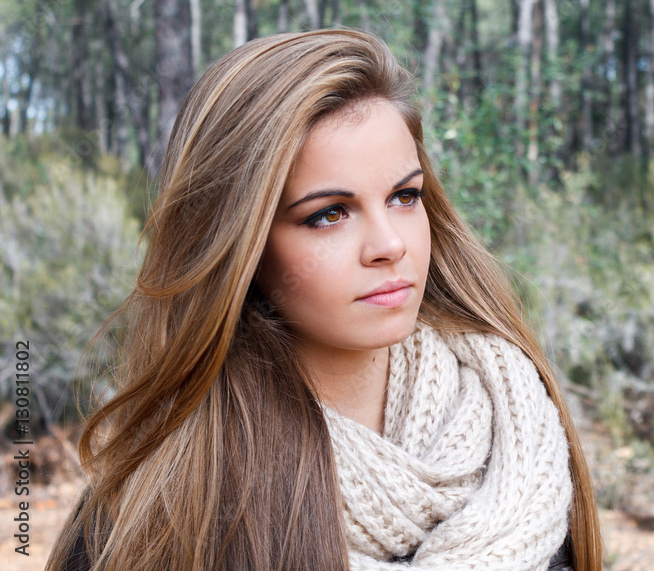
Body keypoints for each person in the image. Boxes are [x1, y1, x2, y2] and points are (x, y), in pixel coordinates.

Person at [46, 28, 602, 571]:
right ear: (241, 243)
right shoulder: (159, 505)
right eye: (329, 214)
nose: (389, 245)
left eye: (405, 196)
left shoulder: (518, 426)